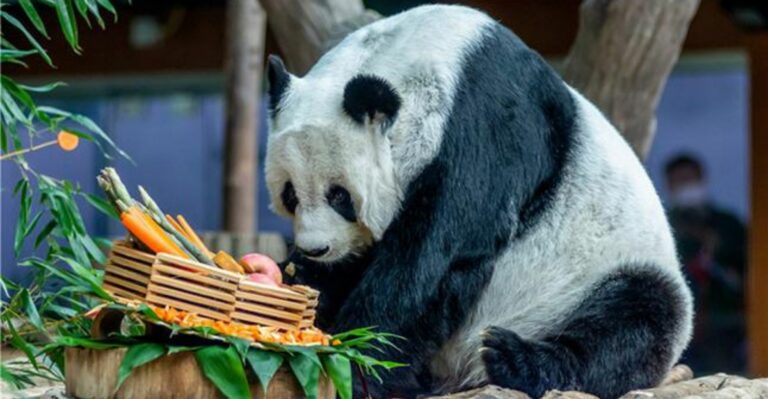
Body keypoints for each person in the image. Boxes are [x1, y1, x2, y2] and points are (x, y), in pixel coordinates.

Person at [664, 153, 748, 374]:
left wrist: (716, 247)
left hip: (728, 324)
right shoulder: (662, 224)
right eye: (678, 181)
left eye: (689, 179)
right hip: (679, 326)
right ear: (669, 185)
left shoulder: (727, 224)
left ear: (702, 179)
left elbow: (750, 269)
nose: (685, 186)